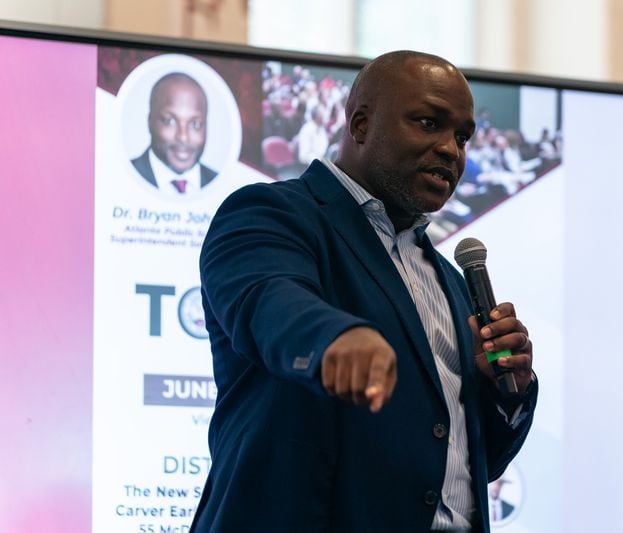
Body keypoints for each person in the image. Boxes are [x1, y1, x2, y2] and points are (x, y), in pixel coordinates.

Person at [191, 50, 538, 532]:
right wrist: (335, 338)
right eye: (428, 123)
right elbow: (267, 298)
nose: (450, 150)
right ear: (359, 123)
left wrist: (505, 391)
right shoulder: (272, 213)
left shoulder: (450, 282)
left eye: (461, 136)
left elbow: (463, 458)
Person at [131, 72, 217, 194]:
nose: (183, 137)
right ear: (150, 122)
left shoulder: (221, 184)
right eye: (169, 121)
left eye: (195, 124)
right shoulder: (121, 176)